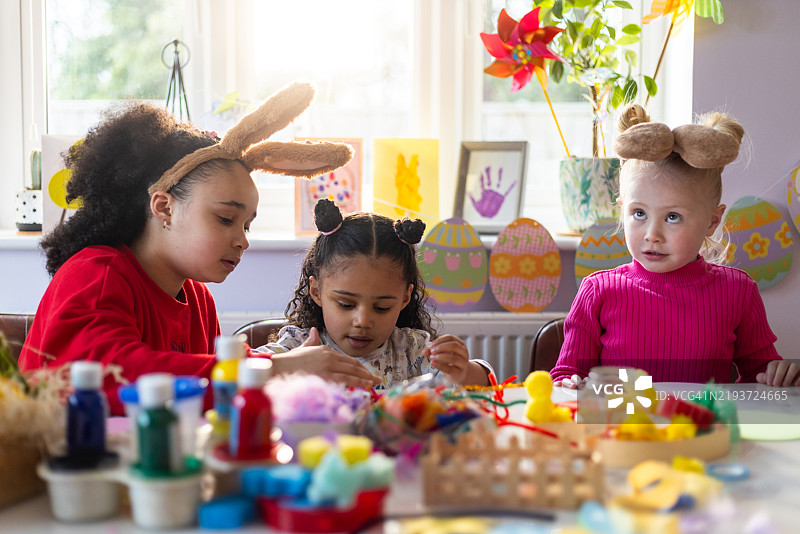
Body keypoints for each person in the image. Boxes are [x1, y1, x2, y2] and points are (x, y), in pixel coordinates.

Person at [18, 82, 373, 414]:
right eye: (224, 219)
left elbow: (208, 401)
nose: (243, 240)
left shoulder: (200, 303)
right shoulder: (94, 273)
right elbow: (113, 377)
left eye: (247, 224)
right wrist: (274, 369)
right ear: (164, 207)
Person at [550, 104, 800, 389]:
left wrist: (776, 376)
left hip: (700, 430)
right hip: (621, 431)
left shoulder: (739, 292)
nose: (652, 234)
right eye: (639, 213)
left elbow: (759, 376)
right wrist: (568, 383)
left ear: (712, 221)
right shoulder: (597, 292)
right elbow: (566, 374)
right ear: (622, 210)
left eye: (673, 217)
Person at [256, 199, 492, 389]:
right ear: (316, 291)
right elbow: (230, 373)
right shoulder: (298, 346)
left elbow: (487, 382)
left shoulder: (413, 351)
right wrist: (285, 366)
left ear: (405, 298)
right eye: (346, 304)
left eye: (381, 308)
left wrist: (464, 371)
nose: (363, 321)